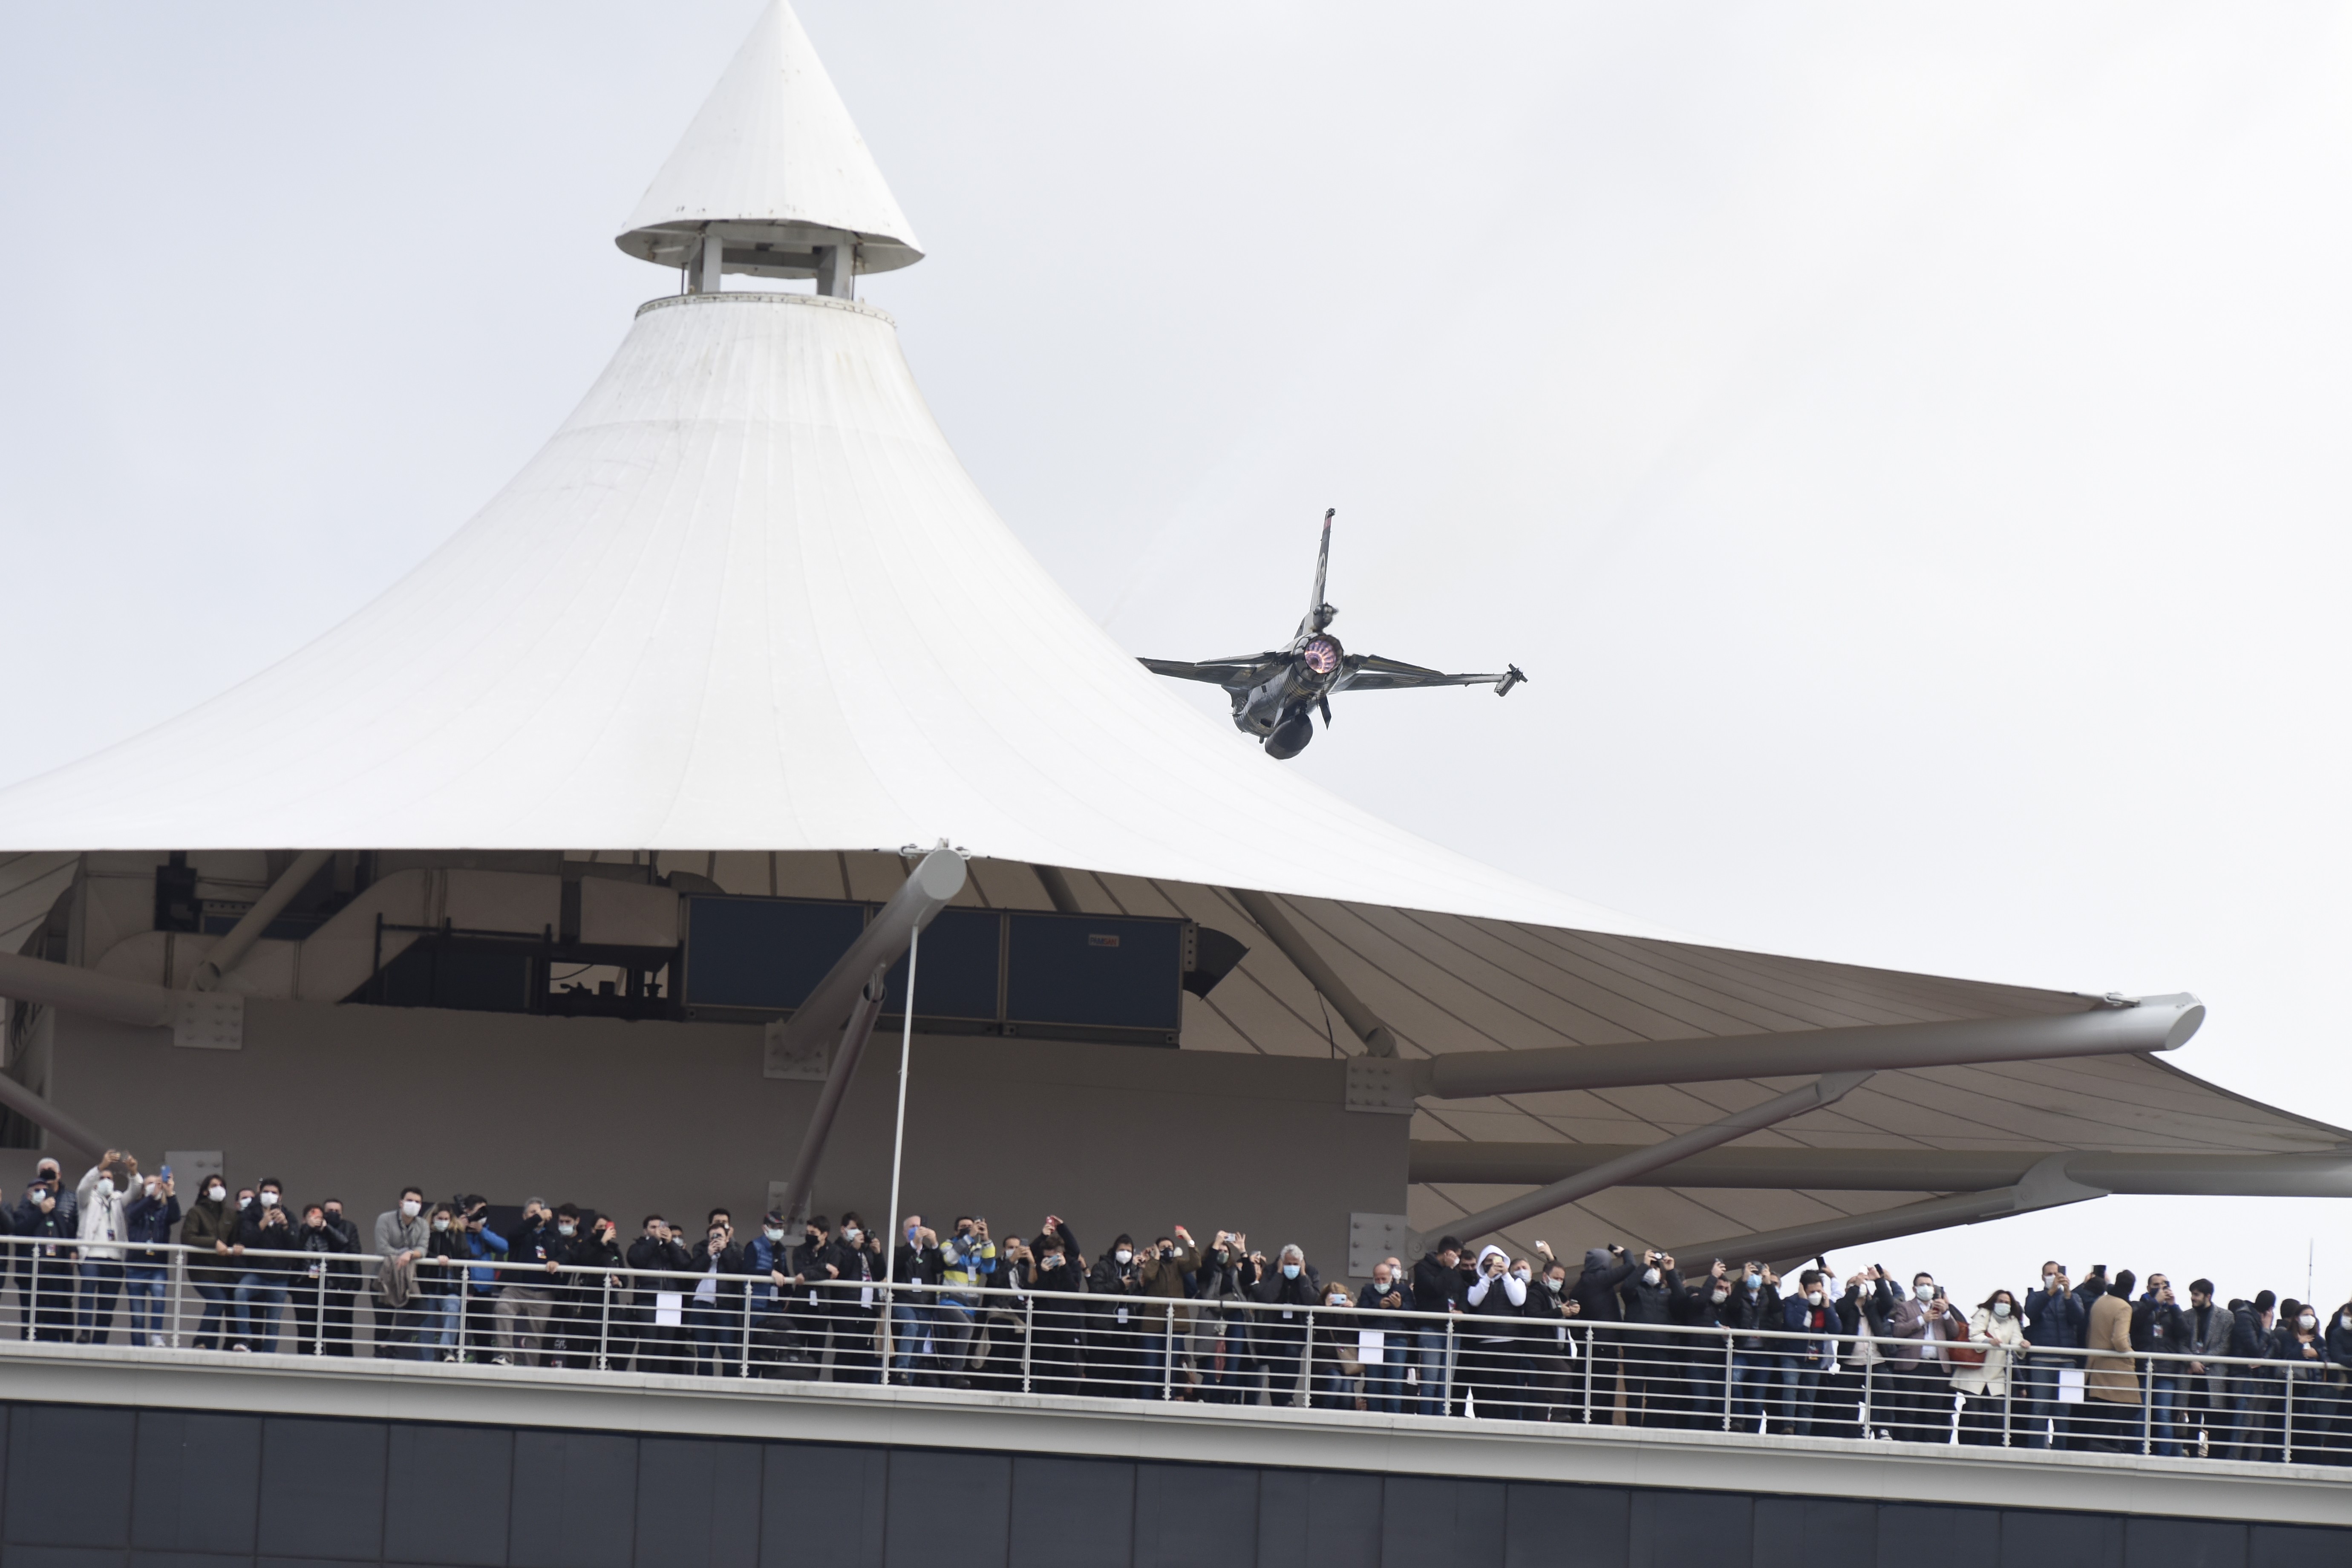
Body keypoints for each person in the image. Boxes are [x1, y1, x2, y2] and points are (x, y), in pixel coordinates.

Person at [1885, 1270, 1963, 1444]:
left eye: (1929, 1285)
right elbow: (1898, 1331)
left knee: (1934, 1412)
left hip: (1938, 1367)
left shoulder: (1941, 1308)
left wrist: (1947, 1313)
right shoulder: (1905, 1307)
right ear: (1914, 1288)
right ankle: (1906, 1446)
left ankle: (1931, 1447)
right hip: (1912, 1365)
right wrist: (1922, 1320)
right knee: (1909, 1410)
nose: (1926, 1288)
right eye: (1922, 1285)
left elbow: (1955, 1332)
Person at [1568, 1244, 1638, 1423]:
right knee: (1603, 1395)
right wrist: (1625, 1252)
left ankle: (1585, 1423)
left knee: (1591, 1393)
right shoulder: (1598, 1280)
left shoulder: (1580, 1286)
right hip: (1604, 1347)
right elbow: (1630, 1266)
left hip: (1592, 1347)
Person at [1017, 1216, 1086, 1397]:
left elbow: (1073, 1289)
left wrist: (1062, 1227)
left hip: (1067, 1324)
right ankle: (1043, 1398)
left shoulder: (1071, 1263)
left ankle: (1061, 1400)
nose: (1050, 1260)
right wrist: (1042, 1236)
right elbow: (1029, 1258)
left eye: (1054, 1257)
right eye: (1048, 1257)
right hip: (1045, 1323)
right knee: (1045, 1366)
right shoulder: (1040, 1264)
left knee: (1064, 1366)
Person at [2019, 1260, 2085, 1449]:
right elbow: (2031, 1313)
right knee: (2040, 1408)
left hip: (2069, 1361)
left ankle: (2061, 1451)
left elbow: (2078, 1319)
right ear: (2043, 1277)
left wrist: (2067, 1293)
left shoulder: (2074, 1297)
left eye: (2057, 1274)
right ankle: (2036, 1450)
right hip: (2042, 1360)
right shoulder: (2035, 1296)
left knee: (2065, 1410)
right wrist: (2050, 1292)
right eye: (2050, 1274)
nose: (2054, 1277)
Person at [72, 1155, 136, 1344]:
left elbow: (135, 1191)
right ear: (96, 1182)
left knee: (108, 1303)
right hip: (92, 1255)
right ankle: (85, 1332)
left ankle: (101, 1339)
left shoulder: (118, 1200)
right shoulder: (87, 1199)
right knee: (88, 1288)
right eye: (102, 1178)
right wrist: (102, 1166)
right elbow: (82, 1187)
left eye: (110, 1179)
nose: (106, 1181)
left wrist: (133, 1172)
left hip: (114, 1258)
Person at [1618, 1249, 1685, 1428]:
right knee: (1634, 1397)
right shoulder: (1635, 1292)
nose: (1652, 1270)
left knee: (1656, 1399)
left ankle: (1649, 1433)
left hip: (1660, 1351)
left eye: (1656, 1268)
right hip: (1635, 1350)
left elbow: (1682, 1300)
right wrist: (1644, 1264)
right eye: (1651, 1267)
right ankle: (1633, 1431)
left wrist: (1670, 1271)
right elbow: (1626, 1288)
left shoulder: (1667, 1293)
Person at [230, 1178, 297, 1353]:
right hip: (257, 1272)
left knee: (273, 1323)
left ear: (280, 1197)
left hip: (280, 1276)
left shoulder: (289, 1216)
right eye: (266, 1192)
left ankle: (269, 1355)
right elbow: (246, 1239)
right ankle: (245, 1339)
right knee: (241, 1292)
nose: (270, 1196)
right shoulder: (250, 1215)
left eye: (274, 1193)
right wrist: (263, 1223)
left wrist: (285, 1226)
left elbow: (296, 1244)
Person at [1952, 1288, 2026, 1445]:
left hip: (1996, 1375)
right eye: (2001, 1301)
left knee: (1998, 1416)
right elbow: (1974, 1335)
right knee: (1974, 1414)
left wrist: (2022, 1344)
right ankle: (1968, 1448)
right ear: (1994, 1302)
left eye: (2007, 1303)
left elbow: (2016, 1340)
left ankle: (1994, 1450)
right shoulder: (1984, 1313)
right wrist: (1988, 1341)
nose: (2004, 1305)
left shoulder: (2012, 1320)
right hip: (1975, 1371)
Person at [496, 1198, 564, 1368]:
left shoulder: (553, 1236)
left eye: (540, 1212)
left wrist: (557, 1261)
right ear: (525, 1216)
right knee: (502, 1308)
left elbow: (565, 1254)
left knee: (537, 1334)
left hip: (543, 1291)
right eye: (533, 1213)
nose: (537, 1215)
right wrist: (538, 1217)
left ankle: (532, 1369)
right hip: (517, 1288)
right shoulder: (521, 1232)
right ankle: (506, 1357)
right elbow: (514, 1235)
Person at [1251, 1244, 1321, 1407]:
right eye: (1288, 1263)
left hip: (1297, 1328)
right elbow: (1266, 1297)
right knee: (1275, 1366)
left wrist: (1303, 1275)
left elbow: (1312, 1300)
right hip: (1273, 1327)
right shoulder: (1271, 1271)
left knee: (1291, 1355)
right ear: (1282, 1261)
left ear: (1302, 1262)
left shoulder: (1311, 1272)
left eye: (1296, 1264)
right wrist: (1279, 1274)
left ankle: (1287, 1398)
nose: (1292, 1267)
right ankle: (1279, 1403)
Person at [1460, 1245, 1525, 1420]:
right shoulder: (1477, 1284)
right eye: (1488, 1262)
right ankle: (1489, 1423)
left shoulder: (1516, 1282)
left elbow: (1518, 1301)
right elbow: (1474, 1301)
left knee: (1509, 1388)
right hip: (1484, 1344)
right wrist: (1487, 1278)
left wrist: (1506, 1275)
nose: (1493, 1265)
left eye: (1497, 1261)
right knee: (1486, 1389)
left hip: (1509, 1342)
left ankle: (1511, 1423)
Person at [2081, 1268, 2141, 1453]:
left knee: (2101, 1406)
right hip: (2116, 1365)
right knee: (2133, 1404)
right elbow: (2120, 1340)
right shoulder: (2124, 1307)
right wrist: (2133, 1357)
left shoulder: (2101, 1301)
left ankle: (2100, 1443)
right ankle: (2103, 1439)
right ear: (2131, 1288)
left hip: (2095, 1362)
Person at [934, 1217, 999, 1389]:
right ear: (956, 1231)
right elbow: (950, 1259)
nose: (968, 1229)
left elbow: (989, 1268)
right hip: (950, 1300)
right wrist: (969, 1236)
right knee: (966, 1328)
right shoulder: (947, 1245)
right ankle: (957, 1374)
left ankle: (951, 1377)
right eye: (963, 1227)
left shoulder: (978, 1248)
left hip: (970, 1305)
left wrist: (986, 1239)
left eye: (971, 1227)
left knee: (960, 1341)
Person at [15, 1170, 78, 1342]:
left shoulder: (58, 1216)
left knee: (54, 1318)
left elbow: (67, 1238)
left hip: (56, 1275)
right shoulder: (23, 1213)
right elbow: (20, 1233)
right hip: (32, 1275)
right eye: (36, 1190)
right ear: (29, 1195)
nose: (40, 1193)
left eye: (44, 1189)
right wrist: (40, 1212)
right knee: (31, 1317)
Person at [1410, 1237, 1470, 1417]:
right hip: (1431, 1329)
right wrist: (1448, 1268)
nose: (1458, 1260)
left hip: (1453, 1330)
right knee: (1431, 1380)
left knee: (1447, 1381)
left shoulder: (1455, 1272)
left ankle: (1443, 1417)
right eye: (1457, 1256)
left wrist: (1463, 1312)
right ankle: (1428, 1418)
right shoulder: (1422, 1268)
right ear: (1448, 1254)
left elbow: (1462, 1293)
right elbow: (1435, 1288)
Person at [1136, 1228, 1201, 1396]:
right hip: (1152, 1324)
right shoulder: (1152, 1263)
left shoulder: (1178, 1263)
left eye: (1170, 1246)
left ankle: (1168, 1398)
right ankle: (1147, 1400)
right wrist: (1155, 1258)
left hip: (1176, 1322)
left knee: (1170, 1367)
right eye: (1163, 1247)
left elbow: (1196, 1263)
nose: (1168, 1249)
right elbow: (1149, 1276)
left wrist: (1188, 1238)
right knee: (1150, 1367)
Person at [624, 1215, 692, 1373]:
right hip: (648, 1298)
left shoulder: (672, 1248)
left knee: (665, 1346)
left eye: (660, 1227)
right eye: (653, 1227)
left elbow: (685, 1265)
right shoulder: (639, 1246)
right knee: (648, 1342)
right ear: (645, 1231)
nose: (657, 1230)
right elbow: (636, 1260)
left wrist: (670, 1243)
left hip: (671, 1299)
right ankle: (642, 1378)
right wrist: (654, 1241)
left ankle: (658, 1380)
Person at [121, 1168, 179, 1348]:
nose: (154, 1187)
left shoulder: (164, 1209)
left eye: (157, 1184)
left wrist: (170, 1193)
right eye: (150, 1184)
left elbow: (176, 1216)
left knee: (159, 1296)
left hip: (157, 1266)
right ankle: (138, 1345)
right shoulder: (135, 1205)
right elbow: (132, 1215)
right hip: (135, 1266)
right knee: (137, 1314)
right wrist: (149, 1198)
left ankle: (156, 1336)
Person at [2132, 1275, 2189, 1457]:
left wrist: (2173, 1306)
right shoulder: (2139, 1305)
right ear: (2148, 1287)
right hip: (2143, 1368)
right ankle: (2138, 1452)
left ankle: (2164, 1457)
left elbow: (2185, 1333)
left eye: (2163, 1285)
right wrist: (2153, 1304)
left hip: (2166, 1370)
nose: (2159, 1288)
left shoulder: (2173, 1310)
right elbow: (2133, 1324)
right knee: (2141, 1415)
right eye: (2156, 1285)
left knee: (2164, 1416)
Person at [182, 1174, 240, 1350]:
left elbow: (237, 1237)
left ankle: (208, 1346)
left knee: (217, 1307)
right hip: (202, 1270)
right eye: (215, 1185)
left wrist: (238, 1246)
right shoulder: (196, 1212)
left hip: (225, 1271)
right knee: (217, 1301)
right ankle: (200, 1341)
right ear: (206, 1191)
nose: (219, 1188)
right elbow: (187, 1237)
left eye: (222, 1185)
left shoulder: (231, 1214)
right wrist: (213, 1243)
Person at [683, 1211, 746, 1376]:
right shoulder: (700, 1248)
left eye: (720, 1236)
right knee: (704, 1351)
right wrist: (708, 1255)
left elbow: (737, 1272)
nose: (716, 1239)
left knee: (728, 1350)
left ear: (727, 1235)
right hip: (702, 1305)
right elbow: (692, 1272)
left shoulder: (735, 1248)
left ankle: (730, 1387)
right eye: (713, 1236)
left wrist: (725, 1250)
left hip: (726, 1305)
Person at [1087, 1233, 1149, 1398]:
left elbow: (1140, 1295)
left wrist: (1142, 1272)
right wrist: (1120, 1284)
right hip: (1103, 1325)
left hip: (1126, 1328)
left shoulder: (1136, 1269)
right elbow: (1096, 1290)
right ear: (1115, 1251)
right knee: (1098, 1368)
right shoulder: (1102, 1267)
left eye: (1128, 1250)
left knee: (1119, 1370)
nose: (1125, 1254)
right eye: (1122, 1250)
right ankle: (1095, 1403)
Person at [1834, 1266, 1894, 1437]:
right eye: (1855, 1284)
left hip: (1876, 1361)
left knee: (1885, 1393)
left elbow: (1889, 1302)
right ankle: (1853, 1432)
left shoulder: (1874, 1306)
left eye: (1862, 1283)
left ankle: (1883, 1429)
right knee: (1847, 1399)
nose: (1860, 1285)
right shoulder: (1844, 1307)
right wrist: (1855, 1287)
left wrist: (1878, 1280)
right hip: (1851, 1362)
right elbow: (1843, 1308)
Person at [372, 1187, 431, 1358]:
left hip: (407, 1280)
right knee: (383, 1321)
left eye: (418, 1202)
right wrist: (404, 1253)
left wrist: (410, 1254)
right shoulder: (385, 1219)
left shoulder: (423, 1225)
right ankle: (381, 1355)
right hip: (383, 1278)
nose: (414, 1205)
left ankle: (389, 1344)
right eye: (410, 1201)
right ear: (401, 1203)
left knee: (421, 1312)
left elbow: (423, 1249)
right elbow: (383, 1248)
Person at [1780, 1268, 1839, 1437]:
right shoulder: (1792, 1302)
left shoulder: (1826, 1304)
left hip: (1814, 1359)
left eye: (1819, 1291)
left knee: (1808, 1398)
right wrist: (1803, 1301)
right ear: (1803, 1289)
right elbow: (1794, 1324)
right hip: (1792, 1356)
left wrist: (1828, 1308)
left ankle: (1804, 1433)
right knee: (1790, 1387)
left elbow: (1836, 1329)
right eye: (1812, 1292)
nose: (1816, 1295)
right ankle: (1788, 1426)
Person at [291, 1202, 355, 1356]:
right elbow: (294, 1247)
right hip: (304, 1284)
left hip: (327, 1285)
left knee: (332, 1328)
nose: (316, 1220)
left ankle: (333, 1361)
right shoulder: (300, 1232)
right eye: (313, 1216)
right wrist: (308, 1228)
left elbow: (343, 1243)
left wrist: (326, 1228)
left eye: (319, 1217)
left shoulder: (327, 1233)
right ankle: (306, 1361)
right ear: (304, 1219)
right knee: (306, 1329)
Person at [2179, 1278, 2232, 1458]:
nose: (2192, 1298)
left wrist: (2202, 1361)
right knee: (2193, 1418)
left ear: (2208, 1296)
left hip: (2214, 1376)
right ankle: (2193, 1455)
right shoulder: (2186, 1316)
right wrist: (2192, 1361)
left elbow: (2225, 1346)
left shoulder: (2226, 1317)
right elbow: (2180, 1344)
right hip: (2192, 1375)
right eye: (2192, 1294)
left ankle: (2214, 1458)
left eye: (2196, 1294)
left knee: (2214, 1420)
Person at [2223, 1290, 2278, 1461]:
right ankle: (2234, 1460)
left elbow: (2275, 1344)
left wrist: (2264, 1359)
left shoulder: (2255, 1318)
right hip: (2244, 1375)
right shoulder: (2245, 1317)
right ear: (2270, 1308)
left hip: (2257, 1376)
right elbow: (2255, 1349)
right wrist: (2267, 1329)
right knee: (2244, 1421)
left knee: (2257, 1425)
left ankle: (2254, 1462)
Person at [1355, 1259, 1413, 1415]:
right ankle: (1375, 1420)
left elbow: (1413, 1319)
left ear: (1391, 1278)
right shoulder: (1367, 1291)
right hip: (1372, 1338)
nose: (1380, 1282)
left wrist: (1400, 1307)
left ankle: (1393, 1419)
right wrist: (1379, 1307)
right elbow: (1362, 1316)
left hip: (1397, 1338)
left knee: (1395, 1384)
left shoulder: (1404, 1291)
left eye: (1384, 1279)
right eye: (1377, 1279)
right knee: (1374, 1385)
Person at [891, 1216, 944, 1385]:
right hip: (904, 1301)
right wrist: (913, 1244)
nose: (917, 1229)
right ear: (906, 1232)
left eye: (920, 1226)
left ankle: (907, 1383)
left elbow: (940, 1268)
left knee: (918, 1347)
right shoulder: (899, 1251)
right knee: (911, 1325)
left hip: (925, 1304)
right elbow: (896, 1265)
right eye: (913, 1226)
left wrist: (935, 1244)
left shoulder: (930, 1253)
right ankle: (901, 1372)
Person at [460, 1198, 509, 1363]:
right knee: (454, 1339)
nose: (482, 1215)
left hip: (483, 1292)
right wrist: (458, 1229)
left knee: (484, 1341)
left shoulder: (485, 1232)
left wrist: (481, 1231)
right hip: (461, 1291)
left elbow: (504, 1247)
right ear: (468, 1211)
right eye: (479, 1211)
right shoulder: (457, 1230)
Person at [416, 1203, 467, 1360]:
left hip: (450, 1285)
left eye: (447, 1219)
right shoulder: (424, 1233)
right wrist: (435, 1258)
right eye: (440, 1219)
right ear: (433, 1218)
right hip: (428, 1286)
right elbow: (420, 1250)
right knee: (427, 1324)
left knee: (453, 1309)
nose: (444, 1222)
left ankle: (447, 1350)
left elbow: (465, 1256)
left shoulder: (457, 1234)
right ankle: (427, 1361)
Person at [317, 1199, 362, 1355]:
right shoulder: (318, 1228)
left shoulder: (350, 1227)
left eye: (337, 1211)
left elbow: (354, 1252)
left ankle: (346, 1359)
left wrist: (357, 1282)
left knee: (345, 1326)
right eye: (330, 1211)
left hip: (345, 1283)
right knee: (327, 1327)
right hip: (324, 1282)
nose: (334, 1214)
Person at [1312, 1277, 1362, 1409]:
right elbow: (1316, 1328)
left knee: (1347, 1391)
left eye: (1340, 1299)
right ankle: (1326, 1415)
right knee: (1335, 1381)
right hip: (1325, 1358)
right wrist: (1326, 1309)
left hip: (1347, 1359)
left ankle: (1343, 1419)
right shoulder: (1320, 1310)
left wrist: (1352, 1311)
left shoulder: (1349, 1311)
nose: (1337, 1302)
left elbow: (1357, 1331)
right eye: (1333, 1298)